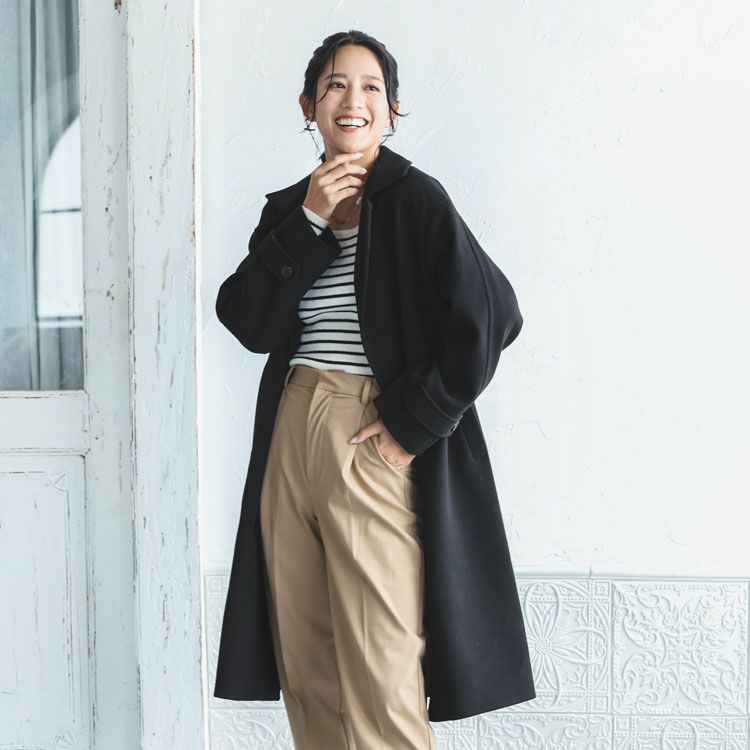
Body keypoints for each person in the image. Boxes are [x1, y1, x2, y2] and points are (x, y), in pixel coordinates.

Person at [213, 29, 535, 750]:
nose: (352, 99)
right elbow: (247, 321)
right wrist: (309, 222)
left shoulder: (414, 199)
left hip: (366, 431)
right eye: (334, 85)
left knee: (382, 670)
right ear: (308, 105)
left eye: (370, 87)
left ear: (391, 109)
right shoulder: (290, 210)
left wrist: (414, 423)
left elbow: (494, 314)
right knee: (309, 668)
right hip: (291, 427)